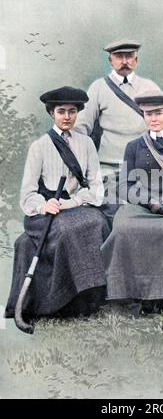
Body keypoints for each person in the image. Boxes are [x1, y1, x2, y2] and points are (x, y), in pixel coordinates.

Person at [5, 86, 110, 319]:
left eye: (72, 111)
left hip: (75, 205)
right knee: (66, 229)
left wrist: (72, 202)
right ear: (52, 113)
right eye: (61, 111)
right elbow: (27, 193)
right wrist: (44, 205)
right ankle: (62, 302)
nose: (67, 117)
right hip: (46, 212)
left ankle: (90, 298)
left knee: (97, 223)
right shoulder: (39, 146)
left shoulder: (86, 144)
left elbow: (95, 187)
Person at [100, 90, 163, 314]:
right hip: (142, 207)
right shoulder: (134, 146)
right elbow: (125, 185)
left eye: (158, 113)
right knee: (124, 229)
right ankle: (130, 294)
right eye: (148, 115)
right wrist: (148, 201)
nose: (153, 119)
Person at [74, 39, 163, 224]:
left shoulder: (149, 87)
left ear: (136, 59)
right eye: (119, 56)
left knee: (156, 213)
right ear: (110, 60)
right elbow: (81, 128)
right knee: (111, 214)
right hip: (108, 168)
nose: (124, 61)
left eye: (129, 56)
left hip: (144, 167)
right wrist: (83, 161)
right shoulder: (99, 87)